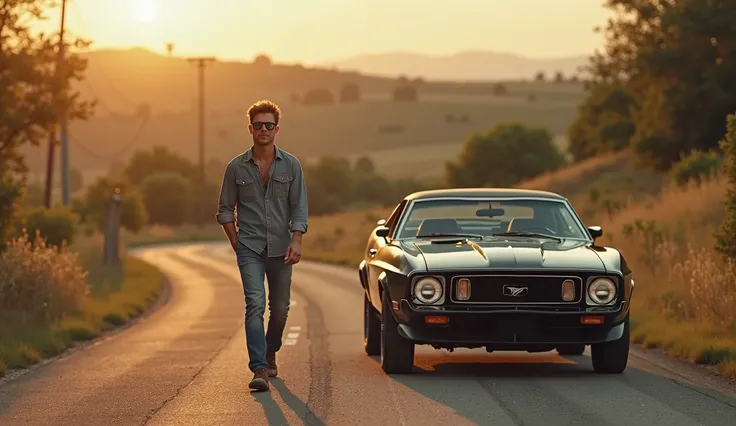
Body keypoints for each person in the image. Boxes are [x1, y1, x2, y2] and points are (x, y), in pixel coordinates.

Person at [216, 100, 308, 391]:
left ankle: (270, 352)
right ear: (250, 129)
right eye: (258, 125)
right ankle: (259, 368)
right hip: (250, 247)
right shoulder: (235, 167)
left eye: (269, 125)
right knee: (254, 303)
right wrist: (236, 241)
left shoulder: (292, 165)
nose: (264, 130)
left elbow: (299, 208)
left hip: (282, 249)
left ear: (277, 129)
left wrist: (296, 239)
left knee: (280, 309)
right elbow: (223, 209)